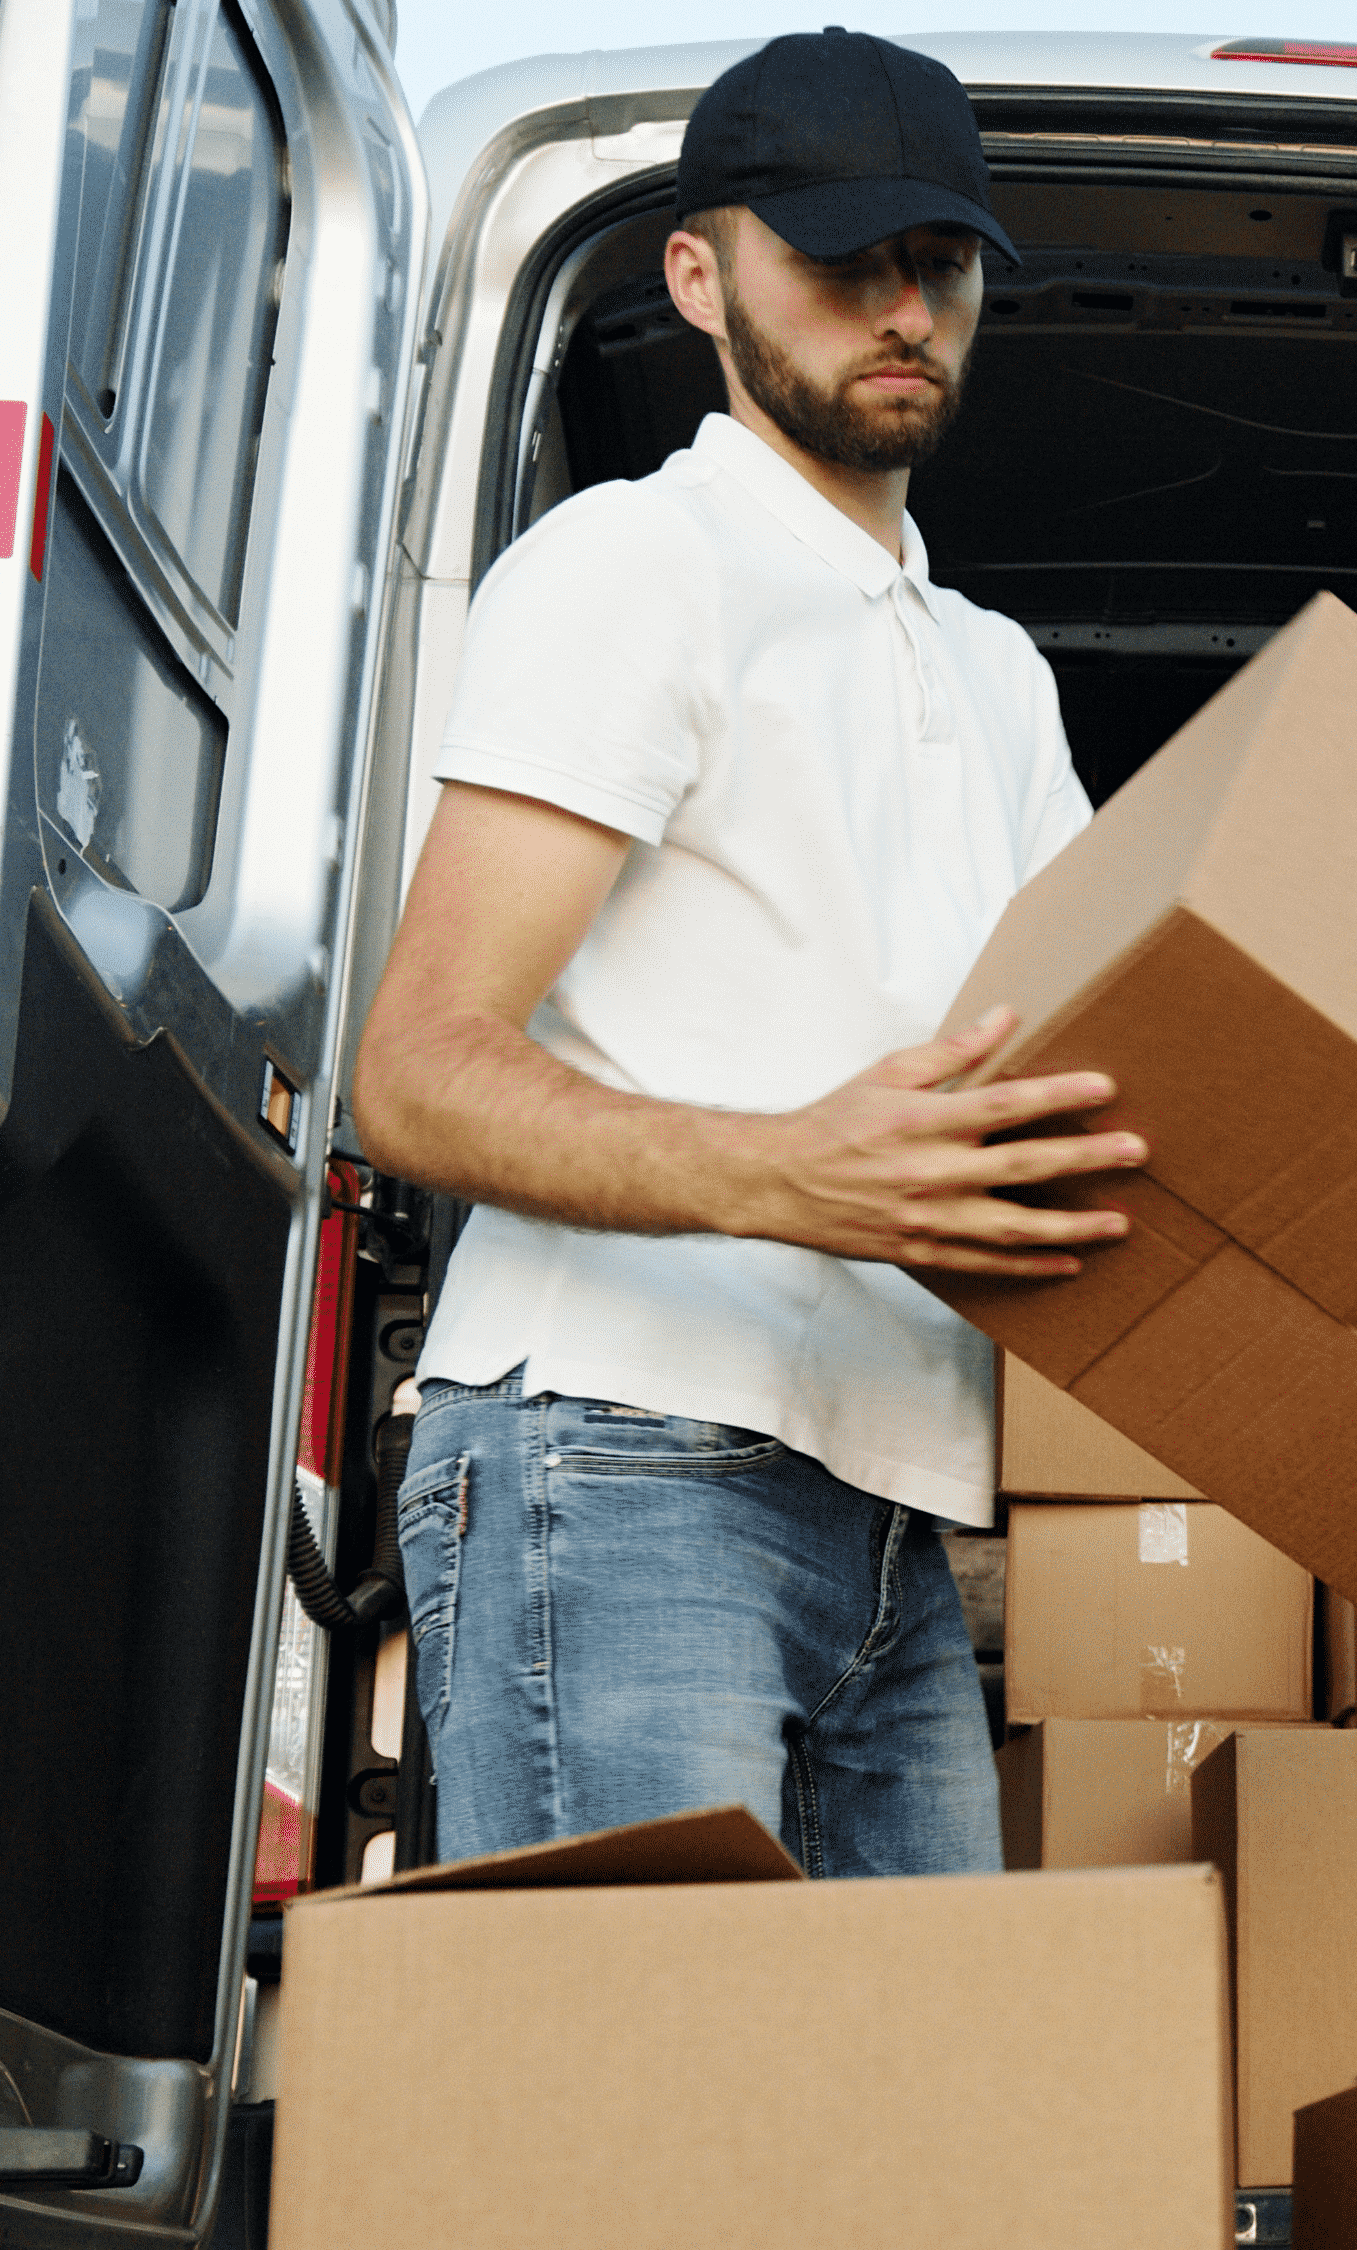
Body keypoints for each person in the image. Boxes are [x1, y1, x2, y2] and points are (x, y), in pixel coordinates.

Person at [348, 31, 1139, 1874]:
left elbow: (1102, 1056)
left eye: (937, 266)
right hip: (620, 1456)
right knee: (633, 2126)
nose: (899, 309)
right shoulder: (642, 566)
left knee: (890, 2138)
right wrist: (801, 1173)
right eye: (839, 259)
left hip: (896, 1513)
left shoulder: (994, 672)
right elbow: (413, 1072)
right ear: (699, 275)